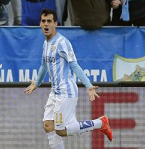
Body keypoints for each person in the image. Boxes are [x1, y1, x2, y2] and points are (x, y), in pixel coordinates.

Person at [24, 8, 113, 149]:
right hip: (55, 93)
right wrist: (37, 83)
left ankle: (100, 123)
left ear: (55, 24)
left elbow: (75, 66)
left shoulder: (62, 42)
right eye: (43, 21)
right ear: (40, 24)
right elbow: (43, 65)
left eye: (49, 21)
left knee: (62, 130)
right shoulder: (45, 43)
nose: (46, 24)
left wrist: (89, 86)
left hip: (66, 92)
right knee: (48, 126)